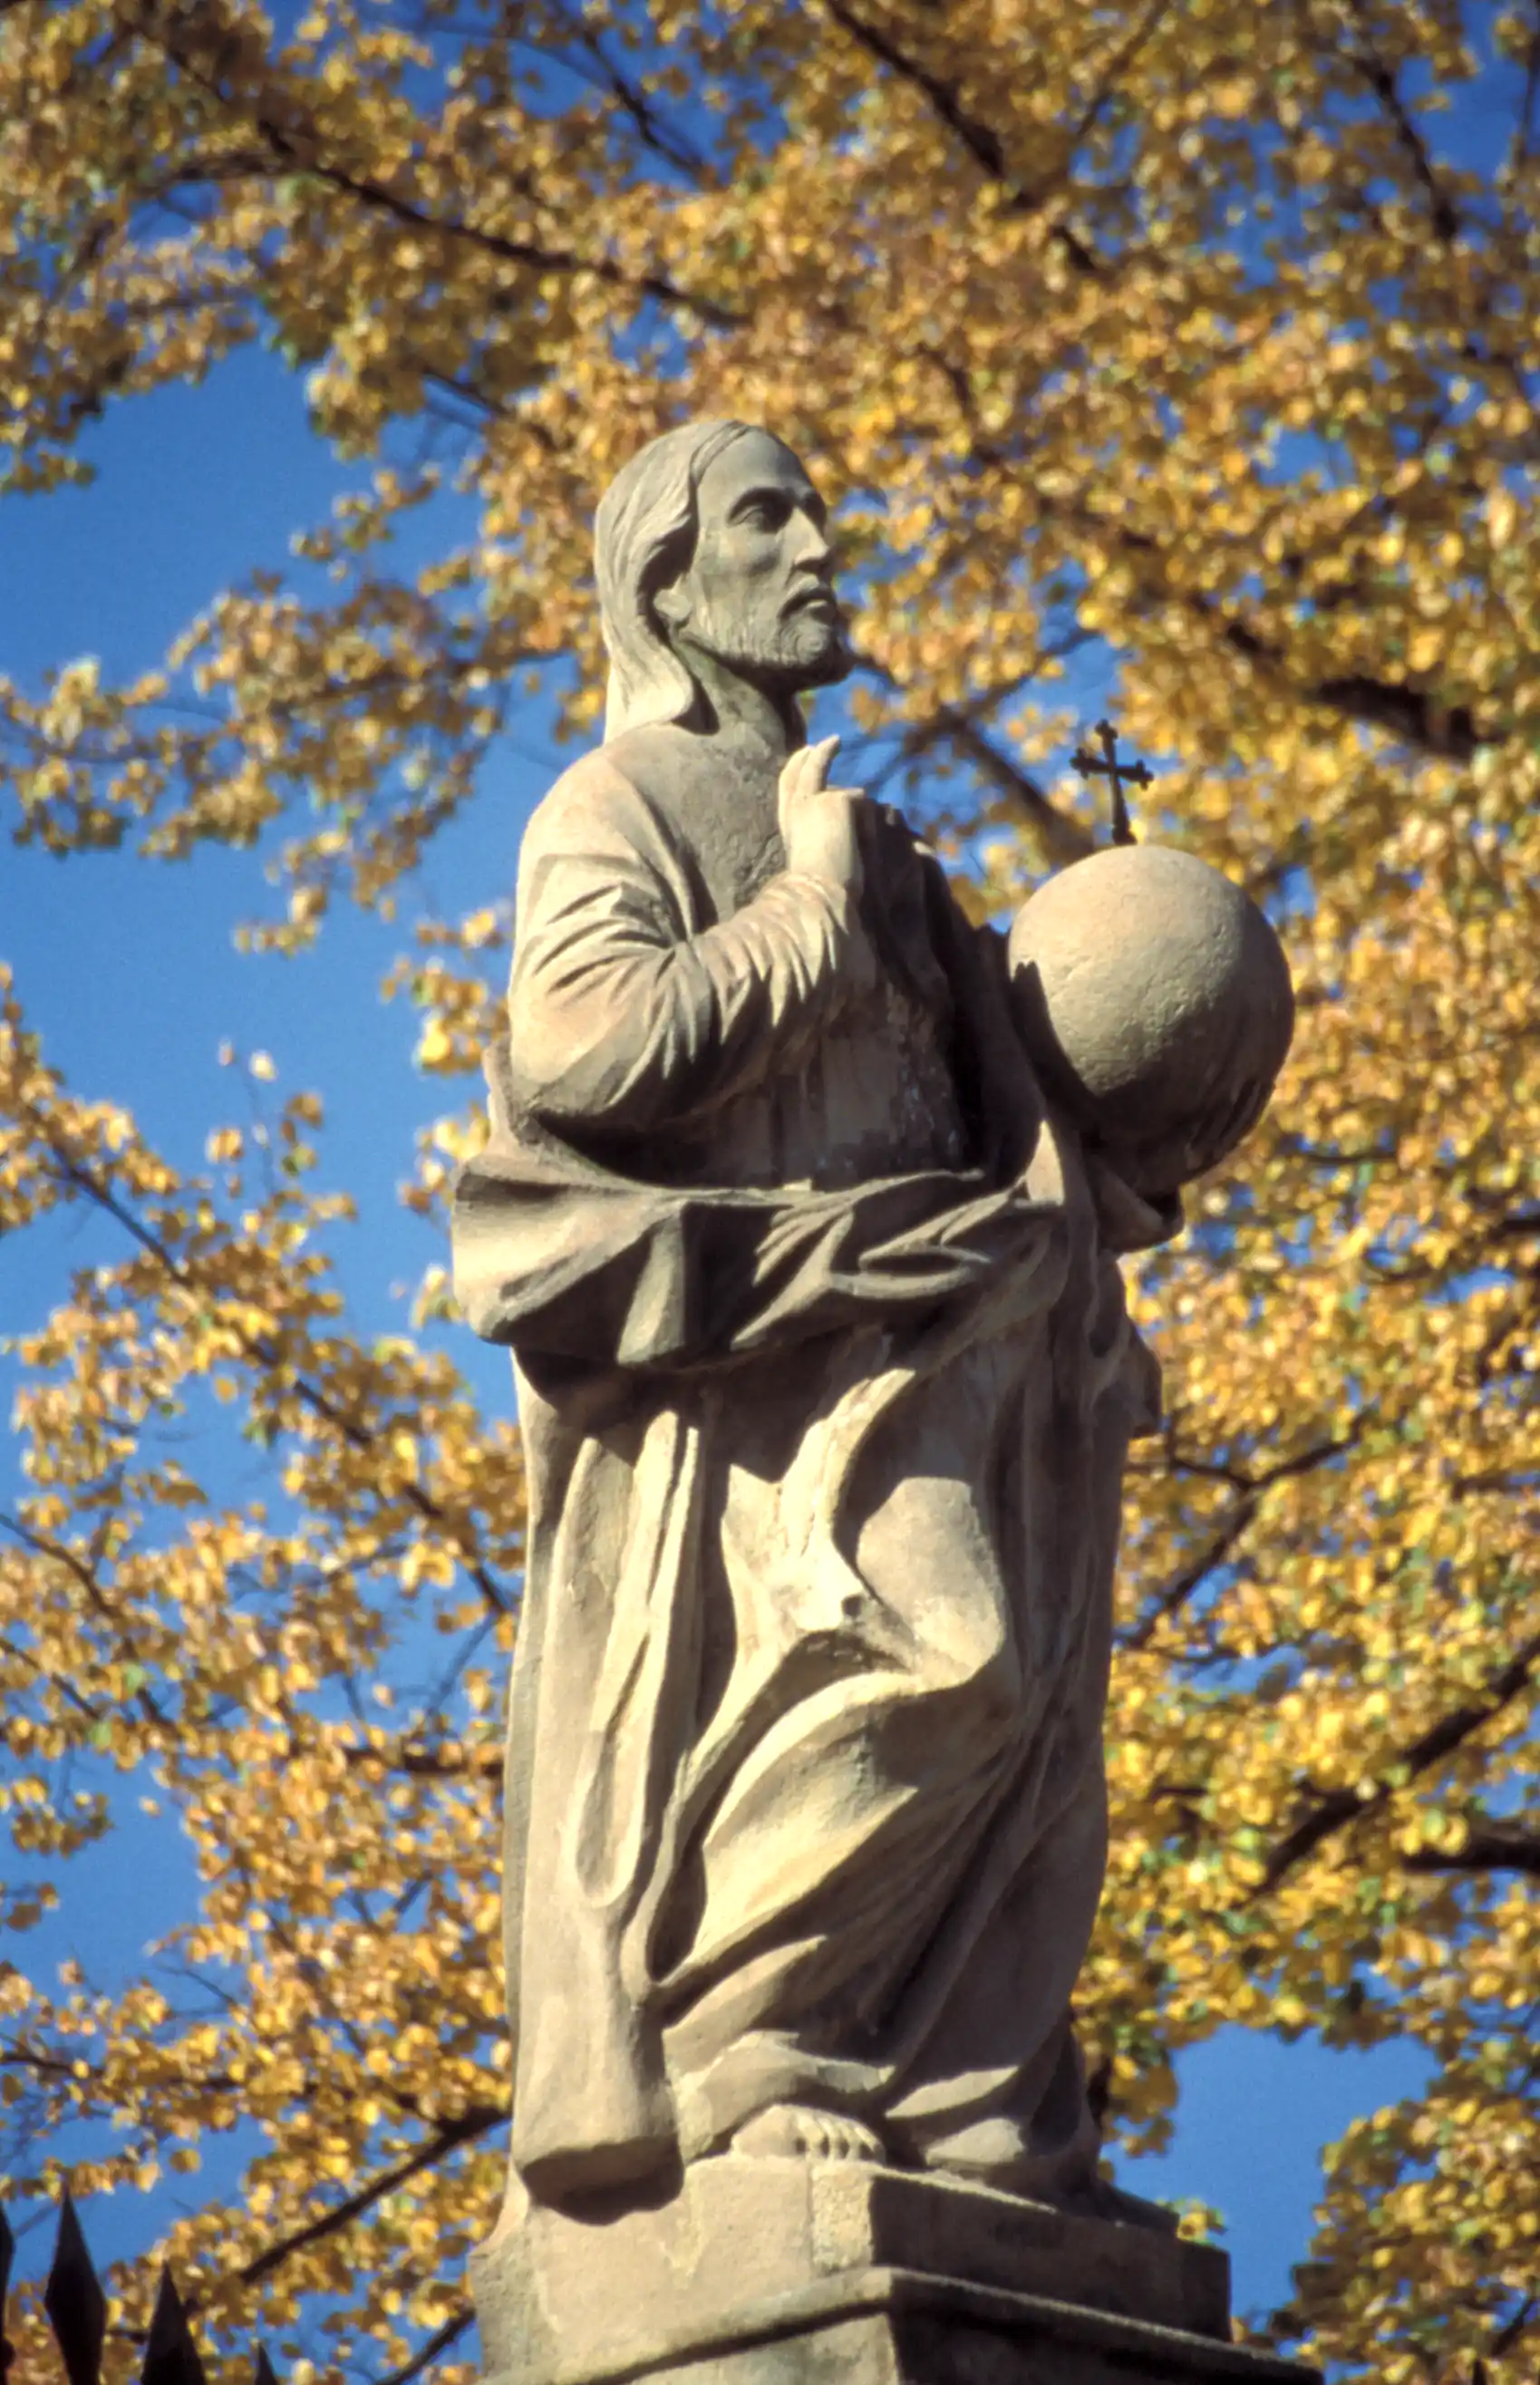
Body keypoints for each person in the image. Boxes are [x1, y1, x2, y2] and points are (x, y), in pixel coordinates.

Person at [452, 420, 1174, 2215]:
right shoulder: (621, 805)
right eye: (765, 514)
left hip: (955, 1343)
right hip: (764, 1379)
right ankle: (744, 2044)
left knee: (1028, 1736)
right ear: (668, 584)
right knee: (943, 1659)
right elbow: (584, 1051)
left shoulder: (892, 854)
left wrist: (1150, 1071)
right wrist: (807, 910)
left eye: (817, 506)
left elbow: (1007, 1118)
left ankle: (956, 2093)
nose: (816, 538)